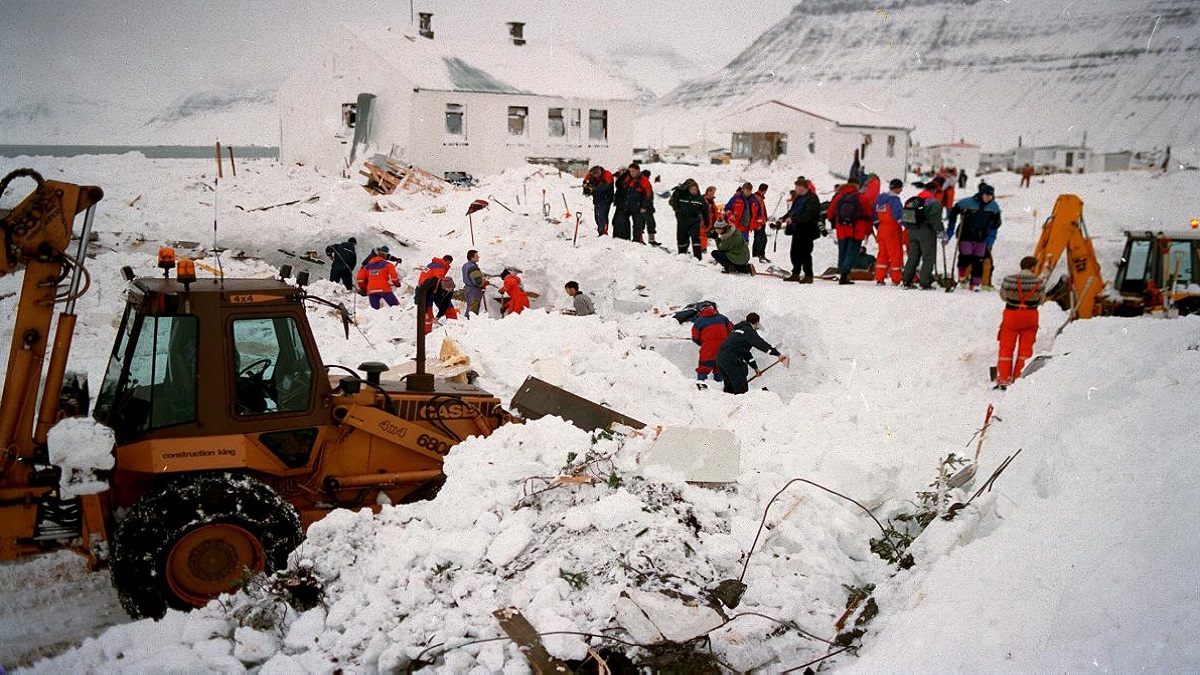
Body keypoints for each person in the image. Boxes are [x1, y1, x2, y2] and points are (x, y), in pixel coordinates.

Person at [995, 256, 1046, 389]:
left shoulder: (1008, 280)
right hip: (1030, 316)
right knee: (1025, 350)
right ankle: (1019, 379)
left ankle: (1004, 379)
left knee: (1006, 348)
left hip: (1011, 316)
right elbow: (1041, 300)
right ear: (1033, 267)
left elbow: (1003, 296)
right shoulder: (1039, 282)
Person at [946, 182, 1002, 291]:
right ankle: (962, 277)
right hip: (966, 234)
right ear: (981, 194)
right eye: (986, 195)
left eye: (990, 196)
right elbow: (953, 213)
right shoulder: (967, 202)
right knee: (965, 257)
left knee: (978, 260)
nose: (988, 198)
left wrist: (990, 239)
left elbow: (995, 224)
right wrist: (950, 230)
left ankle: (975, 284)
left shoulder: (994, 207)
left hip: (982, 237)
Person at [716, 313, 787, 395]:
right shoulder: (749, 331)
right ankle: (742, 405)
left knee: (730, 387)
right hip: (731, 359)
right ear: (757, 322)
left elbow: (745, 353)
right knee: (741, 389)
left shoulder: (738, 330)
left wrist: (755, 368)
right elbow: (761, 344)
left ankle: (729, 405)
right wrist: (778, 354)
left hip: (720, 358)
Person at [826, 176, 874, 285]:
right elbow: (868, 216)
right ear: (857, 185)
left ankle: (842, 271)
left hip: (841, 229)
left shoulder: (838, 196)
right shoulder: (862, 198)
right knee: (852, 252)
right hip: (857, 230)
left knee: (842, 251)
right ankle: (844, 274)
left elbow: (829, 214)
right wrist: (868, 231)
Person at [901, 177, 945, 289]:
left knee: (913, 257)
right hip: (926, 232)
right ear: (934, 190)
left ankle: (906, 280)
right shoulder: (933, 202)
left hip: (912, 231)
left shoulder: (914, 200)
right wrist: (941, 233)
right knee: (928, 257)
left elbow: (905, 216)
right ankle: (925, 282)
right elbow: (935, 220)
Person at [780, 176, 822, 282]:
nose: (795, 189)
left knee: (805, 253)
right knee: (794, 252)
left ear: (803, 187)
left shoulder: (812, 198)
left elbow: (808, 215)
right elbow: (792, 211)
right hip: (797, 230)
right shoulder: (798, 198)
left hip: (807, 230)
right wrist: (783, 218)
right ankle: (796, 273)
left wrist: (793, 219)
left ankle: (808, 275)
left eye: (797, 187)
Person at [691, 303, 732, 384]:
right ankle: (719, 387)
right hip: (723, 350)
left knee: (703, 369)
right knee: (719, 369)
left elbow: (695, 337)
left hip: (708, 350)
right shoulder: (723, 318)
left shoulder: (699, 321)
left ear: (701, 310)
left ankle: (701, 388)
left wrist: (703, 343)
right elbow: (731, 331)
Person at [874, 179, 905, 285]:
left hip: (881, 229)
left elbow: (875, 216)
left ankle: (879, 278)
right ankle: (896, 278)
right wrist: (907, 225)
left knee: (882, 254)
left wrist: (878, 227)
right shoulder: (894, 200)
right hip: (892, 229)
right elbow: (898, 215)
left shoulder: (880, 199)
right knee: (896, 254)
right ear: (898, 188)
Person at [668, 179, 708, 259]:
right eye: (692, 189)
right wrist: (678, 212)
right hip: (683, 219)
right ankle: (682, 254)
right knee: (682, 236)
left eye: (695, 189)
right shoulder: (681, 195)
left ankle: (697, 257)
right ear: (688, 189)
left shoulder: (700, 199)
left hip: (695, 220)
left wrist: (706, 221)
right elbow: (673, 203)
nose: (693, 191)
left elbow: (705, 210)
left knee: (695, 237)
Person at [612, 163, 651, 241]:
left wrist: (644, 206)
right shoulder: (627, 177)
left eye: (633, 171)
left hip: (637, 205)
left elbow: (648, 195)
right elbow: (620, 187)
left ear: (638, 171)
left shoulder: (644, 180)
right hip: (625, 204)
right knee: (621, 221)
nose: (631, 173)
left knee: (638, 224)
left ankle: (637, 240)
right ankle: (623, 239)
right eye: (630, 171)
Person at [417, 254, 457, 328]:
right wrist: (425, 312)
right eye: (449, 263)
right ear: (448, 261)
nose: (449, 265)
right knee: (428, 315)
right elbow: (439, 279)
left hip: (431, 288)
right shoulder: (439, 267)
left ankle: (453, 327)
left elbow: (446, 302)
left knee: (449, 308)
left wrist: (438, 317)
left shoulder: (432, 265)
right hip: (427, 290)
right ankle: (426, 335)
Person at [583, 165, 615, 236]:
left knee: (602, 215)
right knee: (597, 215)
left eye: (596, 175)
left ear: (599, 172)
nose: (595, 177)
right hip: (597, 198)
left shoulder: (607, 175)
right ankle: (600, 230)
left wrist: (593, 188)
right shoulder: (591, 175)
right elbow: (585, 181)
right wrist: (586, 187)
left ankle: (603, 232)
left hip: (606, 198)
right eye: (593, 175)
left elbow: (604, 187)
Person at [461, 249, 488, 317]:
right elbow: (478, 282)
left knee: (470, 307)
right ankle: (469, 324)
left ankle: (467, 322)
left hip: (468, 289)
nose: (478, 257)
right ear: (471, 257)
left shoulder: (465, 265)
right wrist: (484, 282)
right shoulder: (473, 267)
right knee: (473, 310)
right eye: (477, 256)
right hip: (474, 291)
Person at [751, 183, 771, 263]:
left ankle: (761, 255)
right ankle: (756, 256)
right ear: (764, 190)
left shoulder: (760, 198)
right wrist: (757, 224)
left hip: (762, 223)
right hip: (758, 224)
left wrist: (765, 219)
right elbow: (755, 213)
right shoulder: (756, 198)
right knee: (758, 239)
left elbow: (762, 211)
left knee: (763, 239)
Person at [641, 170, 661, 246]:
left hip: (647, 207)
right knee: (650, 223)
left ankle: (644, 239)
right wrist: (644, 206)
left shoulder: (645, 183)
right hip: (645, 208)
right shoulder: (643, 183)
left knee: (645, 223)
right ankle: (649, 240)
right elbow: (648, 197)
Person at [702, 186, 721, 252]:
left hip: (712, 224)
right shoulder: (703, 201)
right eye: (712, 192)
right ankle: (703, 250)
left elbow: (715, 212)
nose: (713, 194)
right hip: (704, 224)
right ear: (708, 192)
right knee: (703, 236)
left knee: (716, 236)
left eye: (714, 193)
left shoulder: (711, 201)